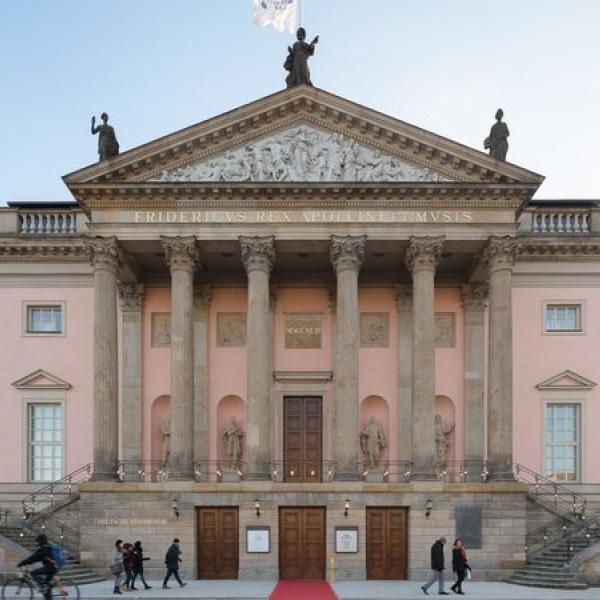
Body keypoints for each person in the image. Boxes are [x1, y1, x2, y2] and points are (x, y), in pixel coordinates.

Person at [17, 533, 57, 600]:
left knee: (33, 573)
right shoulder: (48, 547)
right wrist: (28, 562)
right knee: (46, 587)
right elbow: (36, 558)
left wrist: (22, 563)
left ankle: (43, 587)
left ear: (41, 541)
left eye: (38, 541)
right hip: (54, 567)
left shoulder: (43, 549)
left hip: (49, 568)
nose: (37, 543)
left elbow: (33, 558)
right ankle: (47, 595)